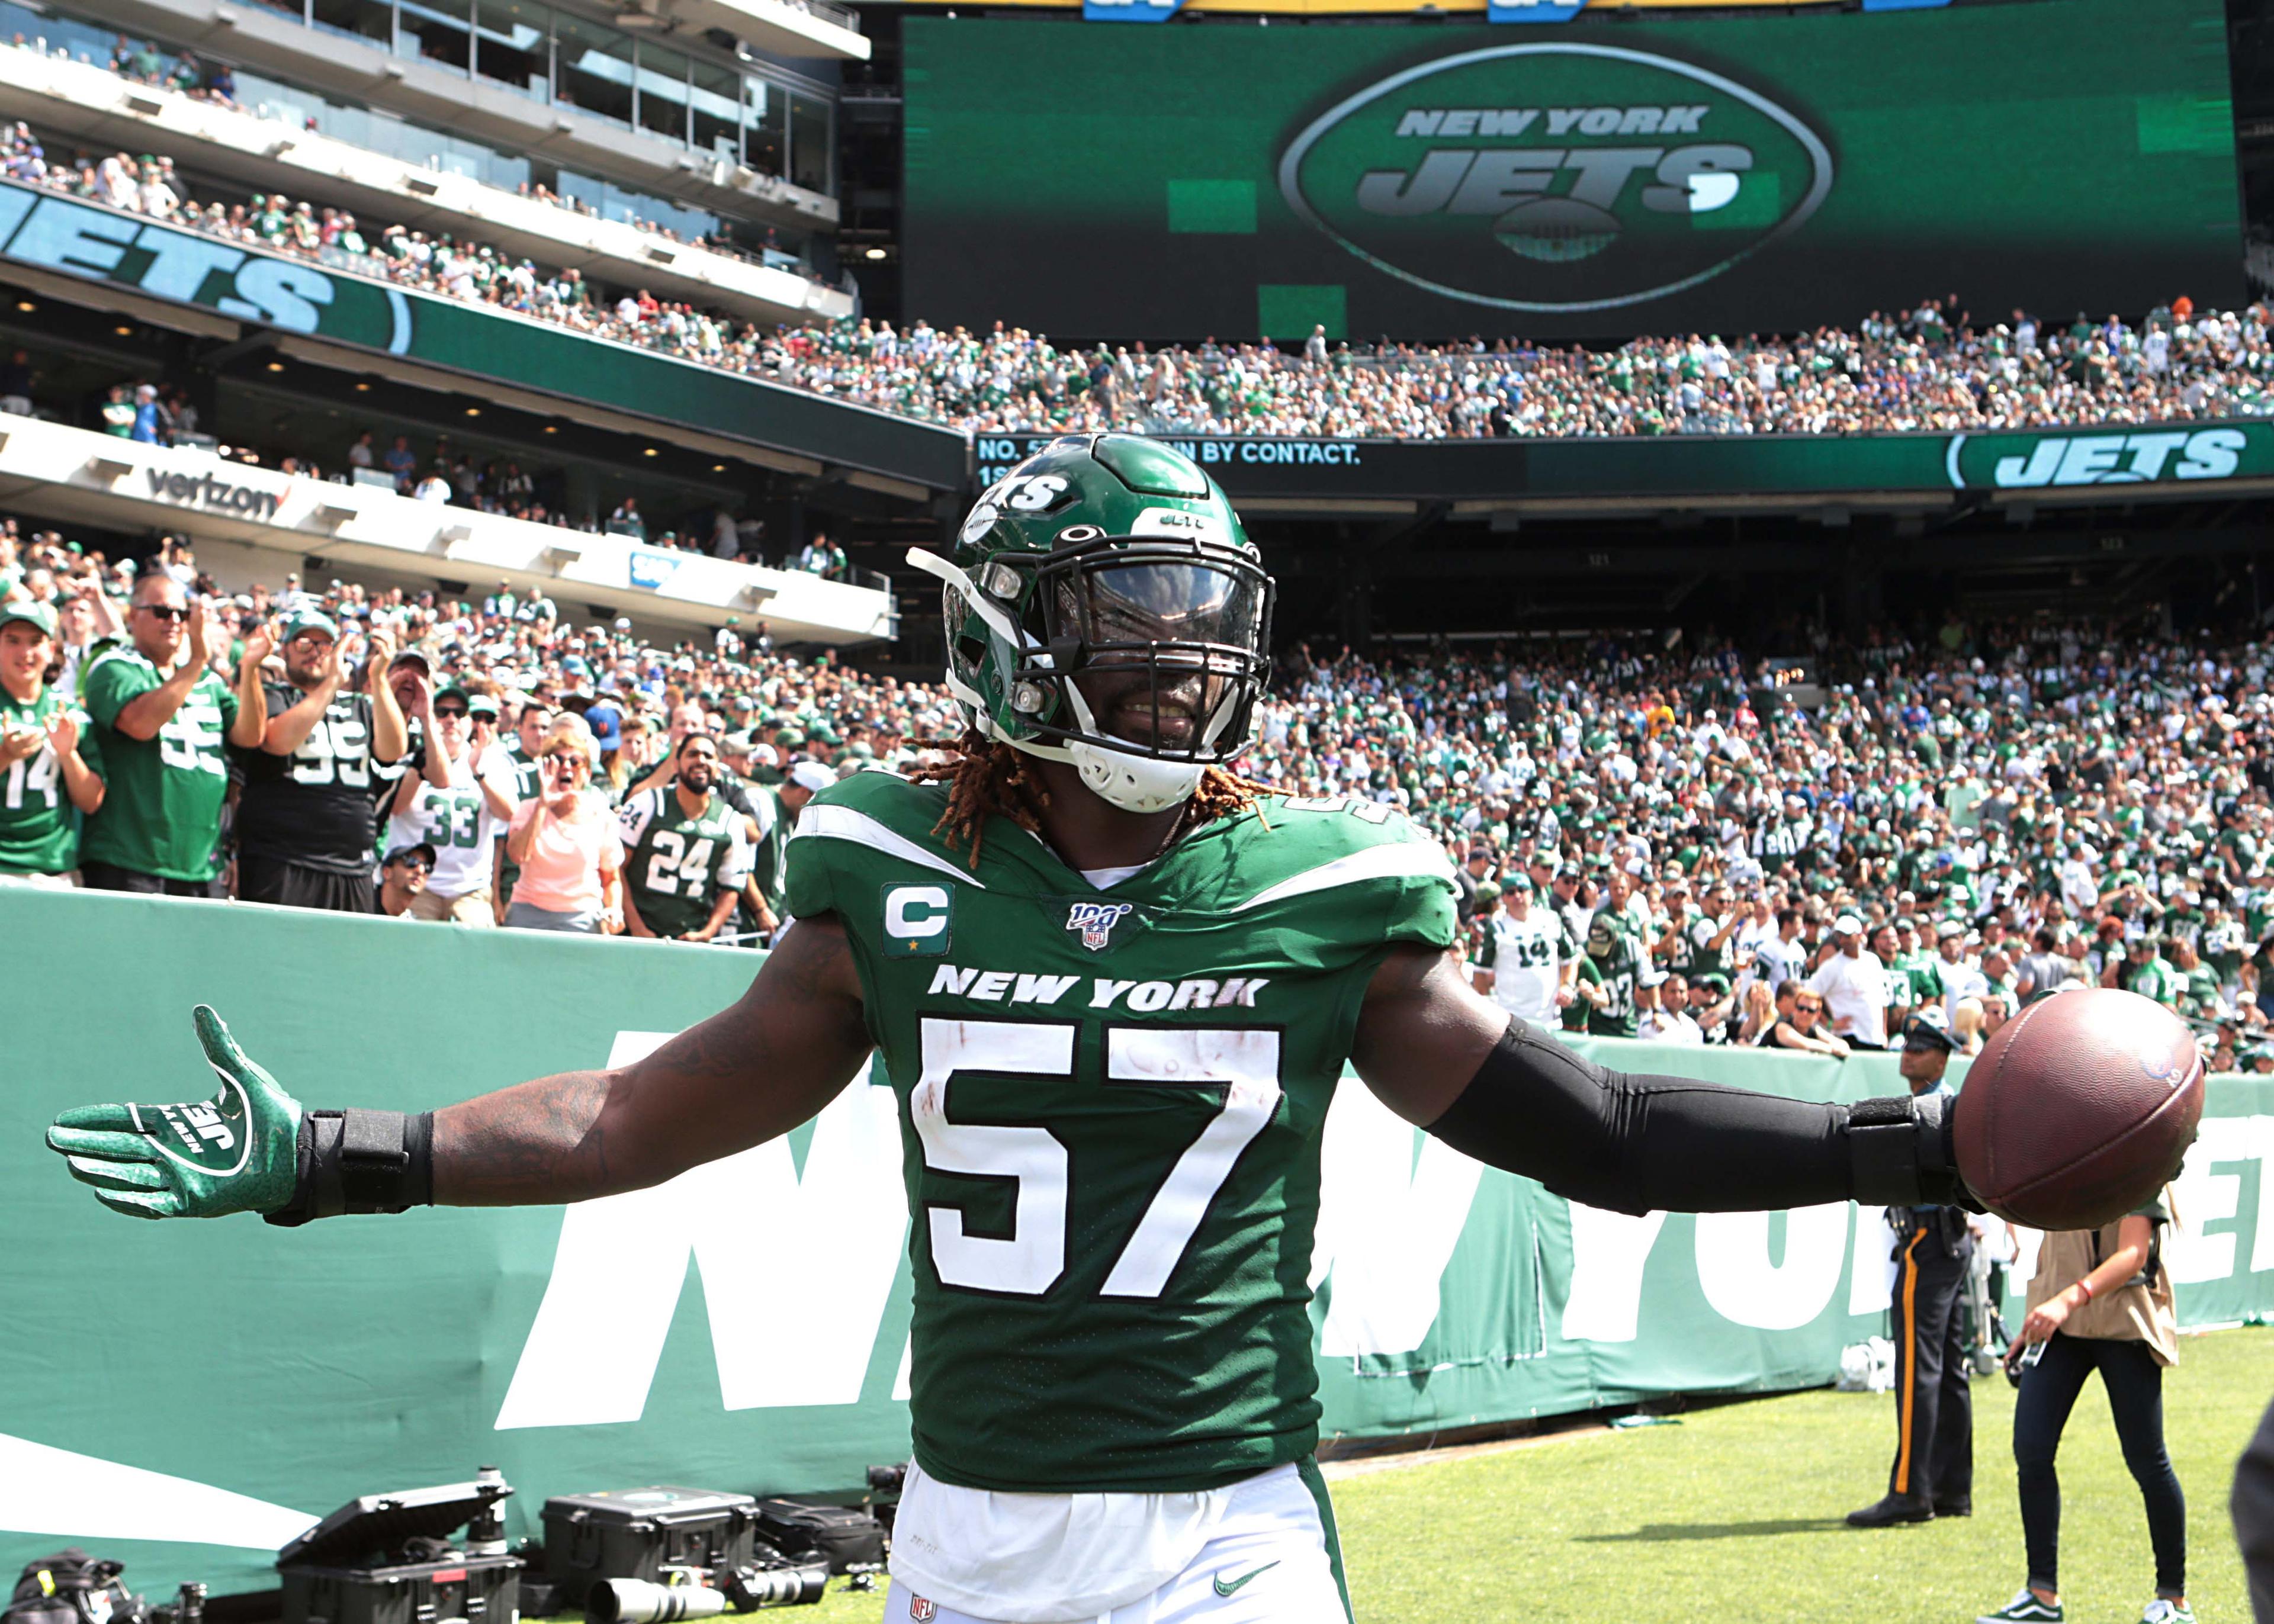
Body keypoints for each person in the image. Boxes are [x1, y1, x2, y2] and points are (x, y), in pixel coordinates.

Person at [40, 437, 2008, 1624]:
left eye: (1201, 624)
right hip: (969, 1529)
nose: (1181, 668)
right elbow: (639, 1116)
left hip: (1220, 1538)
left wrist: (1893, 1150)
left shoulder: (1324, 888)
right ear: (1005, 635)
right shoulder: (886, 865)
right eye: (1130, 620)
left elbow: (1596, 1132)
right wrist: (342, 1155)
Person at [1977, 1189, 2189, 1624]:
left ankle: (2174, 1599)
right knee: (2032, 1449)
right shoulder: (2062, 1151)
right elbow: (2059, 1253)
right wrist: (2038, 1315)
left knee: (2147, 1459)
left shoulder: (2135, 1149)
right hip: (2062, 1323)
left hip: (2124, 1321)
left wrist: (2066, 1299)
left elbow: (2133, 1252)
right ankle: (2041, 1593)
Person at [1851, 1008, 1973, 1527]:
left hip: (1928, 1239)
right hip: (1949, 1242)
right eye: (1906, 1046)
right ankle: (1950, 1490)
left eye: (1920, 1048)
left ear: (1942, 1056)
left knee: (1918, 1369)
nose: (1908, 1054)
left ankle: (1910, 1491)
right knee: (1947, 1368)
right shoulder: (1941, 1103)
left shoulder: (1933, 1106)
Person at [78, 575, 268, 895]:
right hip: (130, 859)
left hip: (199, 864)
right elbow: (141, 724)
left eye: (183, 614)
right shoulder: (115, 665)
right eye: (163, 612)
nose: (176, 622)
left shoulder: (208, 681)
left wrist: (250, 669)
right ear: (132, 616)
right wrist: (196, 661)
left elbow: (250, 735)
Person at [233, 611, 407, 912]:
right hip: (284, 861)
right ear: (285, 649)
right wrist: (332, 684)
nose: (314, 652)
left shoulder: (360, 706)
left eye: (324, 645)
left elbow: (393, 750)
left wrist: (378, 678)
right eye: (304, 643)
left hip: (352, 867)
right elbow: (277, 741)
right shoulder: (275, 697)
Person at [383, 681, 516, 924]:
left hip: (469, 889)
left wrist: (479, 774)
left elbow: (509, 815)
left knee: (474, 957)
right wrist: (423, 764)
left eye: (460, 713)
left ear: (470, 722)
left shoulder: (492, 761)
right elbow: (396, 809)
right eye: (442, 712)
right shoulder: (409, 756)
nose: (451, 719)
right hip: (418, 885)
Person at [0, 600, 104, 886]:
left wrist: (68, 755)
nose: (25, 653)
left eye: (35, 641)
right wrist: (6, 755)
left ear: (51, 649)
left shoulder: (69, 710)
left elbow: (91, 800)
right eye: (13, 641)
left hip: (52, 866)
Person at [619, 732, 749, 943]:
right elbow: (615, 868)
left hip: (690, 935)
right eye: (693, 754)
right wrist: (636, 926)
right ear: (676, 765)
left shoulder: (729, 820)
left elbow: (732, 885)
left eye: (708, 755)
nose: (701, 760)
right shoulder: (647, 803)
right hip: (636, 932)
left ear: (718, 766)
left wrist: (707, 932)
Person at [502, 715, 622, 934]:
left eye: (575, 762)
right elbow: (518, 856)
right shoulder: (528, 809)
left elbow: (611, 877)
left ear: (587, 773)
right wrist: (543, 805)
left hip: (582, 915)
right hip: (529, 910)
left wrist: (614, 908)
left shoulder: (602, 816)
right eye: (557, 761)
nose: (566, 767)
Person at [1474, 874, 1571, 1026]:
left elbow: (1570, 959)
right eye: (1511, 892)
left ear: (1531, 894)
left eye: (1522, 890)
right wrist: (1487, 1005)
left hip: (1549, 1017)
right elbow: (1481, 971)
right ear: (1504, 898)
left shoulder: (1551, 920)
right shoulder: (1497, 928)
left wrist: (1568, 985)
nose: (1517, 896)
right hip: (1512, 1019)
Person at [1809, 914, 1891, 1050]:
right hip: (1850, 1036)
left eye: (1847, 935)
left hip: (1875, 1037)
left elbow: (1882, 1001)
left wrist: (1884, 1033)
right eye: (1839, 936)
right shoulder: (1832, 966)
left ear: (1859, 935)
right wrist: (1829, 1023)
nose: (1843, 940)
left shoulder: (1873, 961)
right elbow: (1809, 994)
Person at [375, 842, 432, 917]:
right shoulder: (361, 906)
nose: (421, 870)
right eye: (411, 862)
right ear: (387, 873)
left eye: (427, 867)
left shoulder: (412, 924)